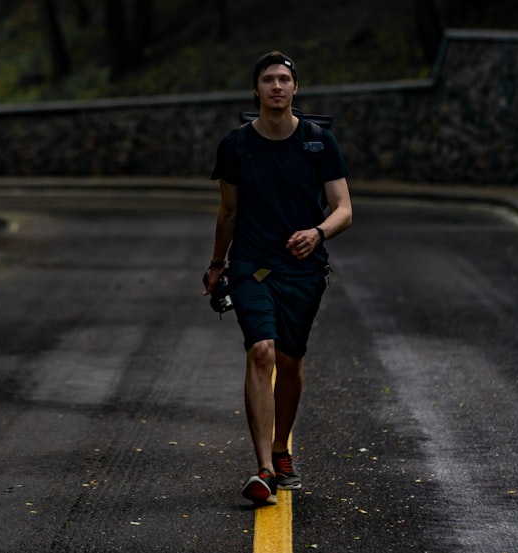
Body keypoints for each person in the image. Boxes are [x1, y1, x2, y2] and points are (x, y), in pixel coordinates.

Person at [203, 51, 353, 506]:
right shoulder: (235, 146)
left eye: (284, 79)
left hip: (304, 271)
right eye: (268, 79)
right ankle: (265, 468)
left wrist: (318, 232)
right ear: (256, 90)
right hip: (251, 267)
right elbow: (227, 211)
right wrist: (217, 264)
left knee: (290, 361)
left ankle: (283, 447)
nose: (276, 86)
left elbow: (344, 209)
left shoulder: (317, 142)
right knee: (262, 351)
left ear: (294, 88)